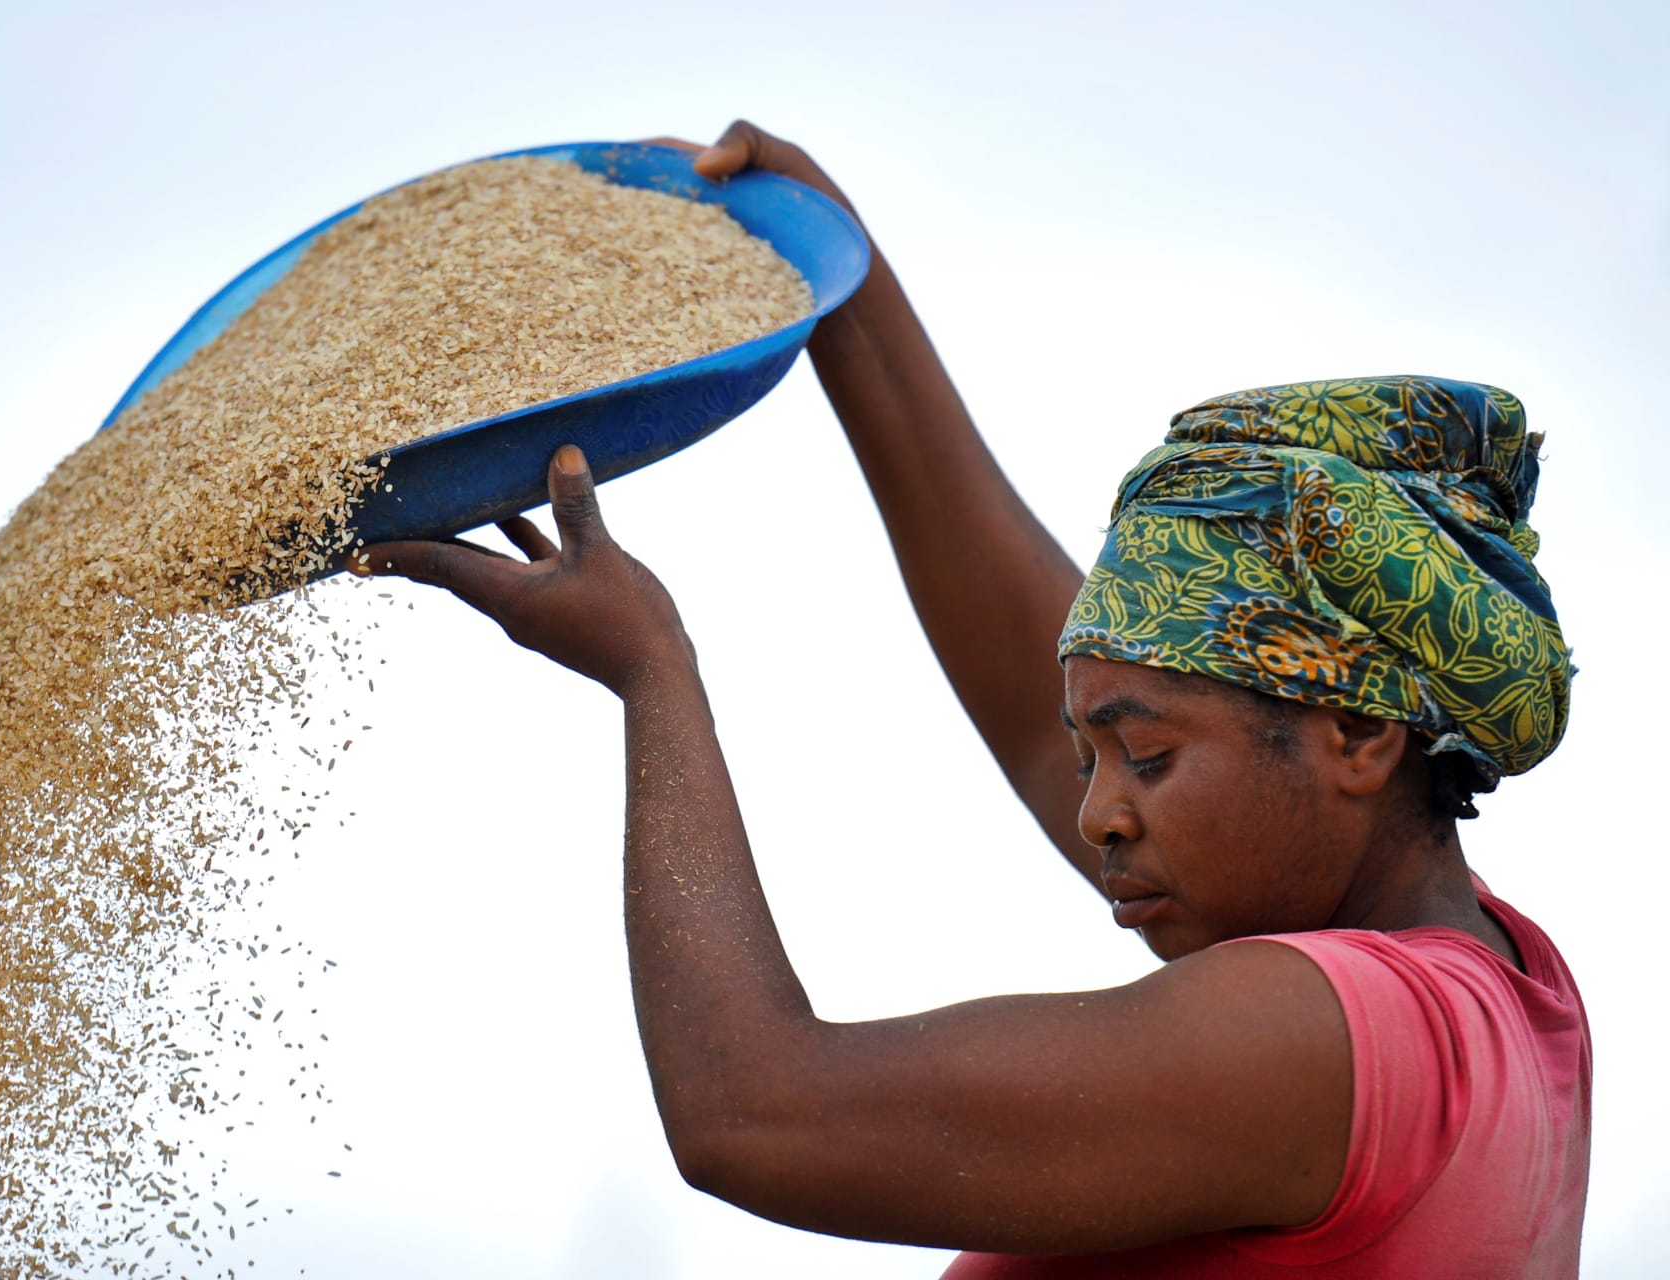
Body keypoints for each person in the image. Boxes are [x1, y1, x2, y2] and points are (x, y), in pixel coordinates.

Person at [347, 122, 1590, 1276]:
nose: (1099, 811)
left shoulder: (1322, 1034)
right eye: (1092, 751)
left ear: (1359, 732)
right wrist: (840, 288)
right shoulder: (1512, 999)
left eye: (1145, 757)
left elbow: (755, 1108)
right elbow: (1038, 702)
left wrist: (649, 670)